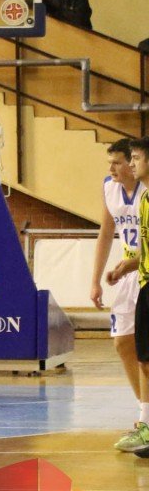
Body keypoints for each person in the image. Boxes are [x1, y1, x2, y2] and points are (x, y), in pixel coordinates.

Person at [94, 140, 149, 452]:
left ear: (133, 162)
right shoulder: (110, 188)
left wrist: (134, 263)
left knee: (145, 352)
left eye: (117, 162)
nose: (111, 168)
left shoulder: (146, 191)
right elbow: (105, 233)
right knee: (124, 344)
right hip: (130, 271)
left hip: (142, 269)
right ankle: (145, 416)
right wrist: (95, 280)